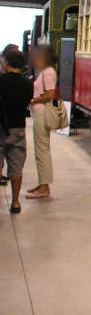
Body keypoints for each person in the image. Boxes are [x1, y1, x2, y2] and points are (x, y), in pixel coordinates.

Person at [0, 49, 34, 213]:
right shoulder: (28, 84)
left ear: (6, 63)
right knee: (16, 167)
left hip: (1, 128)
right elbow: (27, 102)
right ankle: (15, 202)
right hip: (18, 128)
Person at [26, 46, 57, 200]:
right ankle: (42, 183)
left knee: (42, 150)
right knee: (41, 149)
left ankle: (44, 187)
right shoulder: (44, 71)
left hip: (42, 113)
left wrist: (32, 100)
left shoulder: (48, 72)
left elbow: (49, 95)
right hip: (38, 112)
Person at [0, 43, 21, 186]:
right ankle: (15, 202)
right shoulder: (25, 83)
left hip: (6, 121)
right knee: (16, 161)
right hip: (12, 123)